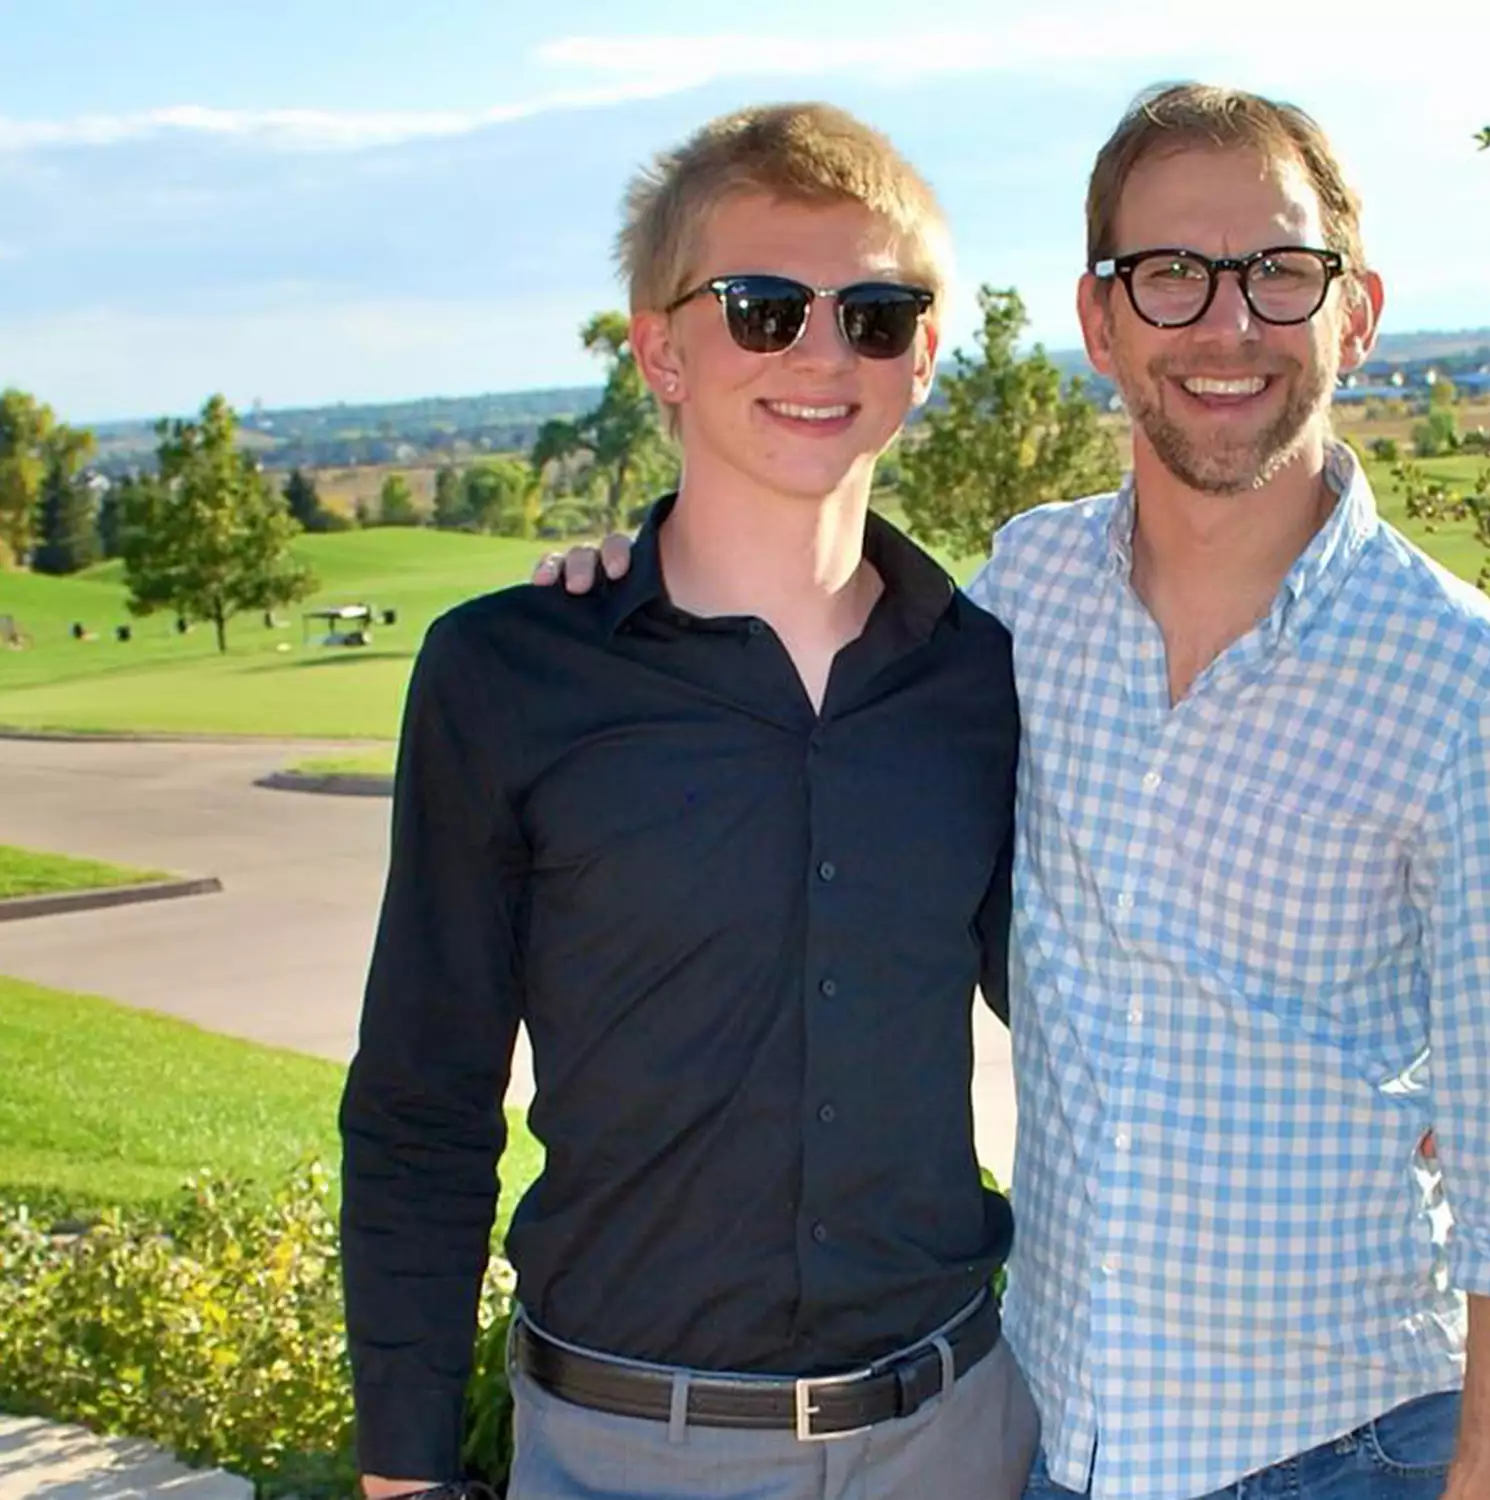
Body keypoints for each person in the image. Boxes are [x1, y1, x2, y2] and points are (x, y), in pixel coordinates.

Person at [543, 84, 1490, 1500]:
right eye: (1169, 276)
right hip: (1061, 1442)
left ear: (1354, 315)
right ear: (1100, 321)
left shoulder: (1471, 685)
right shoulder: (1023, 601)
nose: (1225, 327)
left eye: (1279, 275)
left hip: (1344, 1451)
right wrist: (634, 577)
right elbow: (815, 623)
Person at [341, 101, 1037, 1500]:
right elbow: (422, 1097)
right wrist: (405, 1470)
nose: (825, 352)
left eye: (878, 313)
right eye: (765, 309)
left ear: (926, 360)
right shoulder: (507, 673)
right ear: (659, 349)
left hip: (959, 1438)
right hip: (621, 1454)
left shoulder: (992, 680)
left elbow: (1097, 1000)